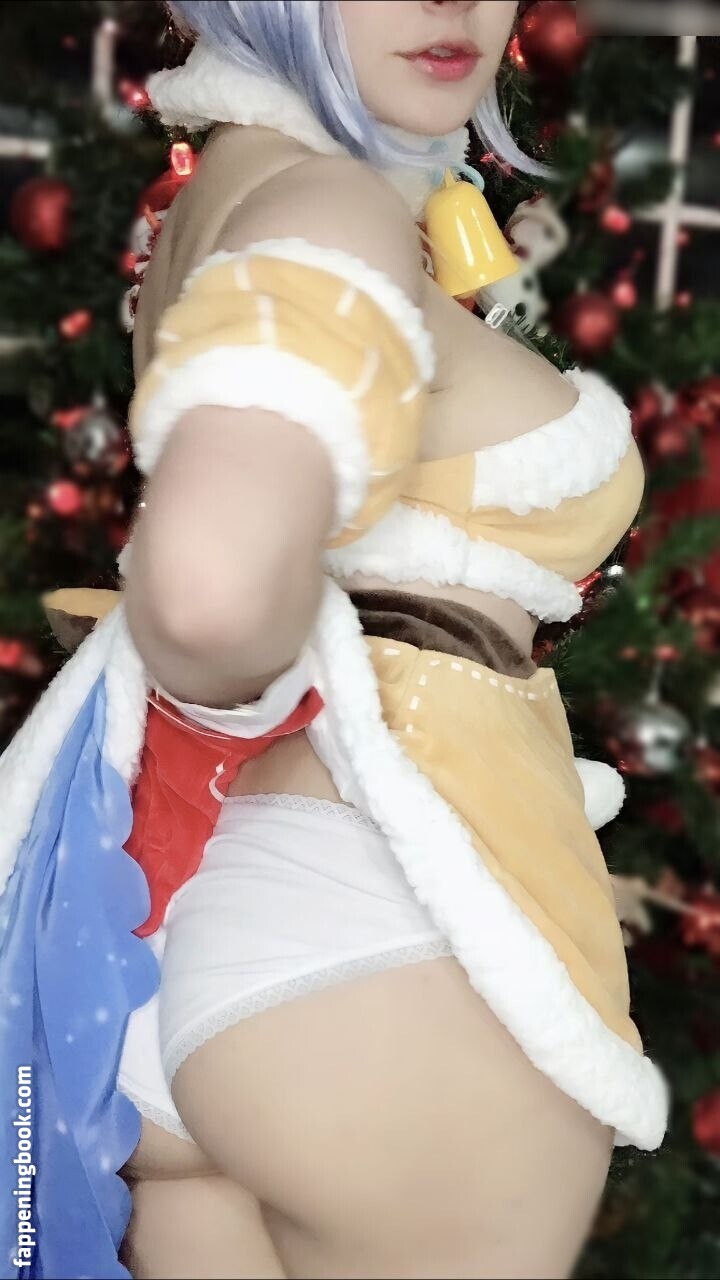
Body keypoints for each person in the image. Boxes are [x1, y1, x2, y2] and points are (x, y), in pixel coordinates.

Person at [0, 3, 668, 1278]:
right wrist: (233, 652)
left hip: (216, 929)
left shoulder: (231, 191)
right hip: (374, 943)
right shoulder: (327, 205)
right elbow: (205, 593)